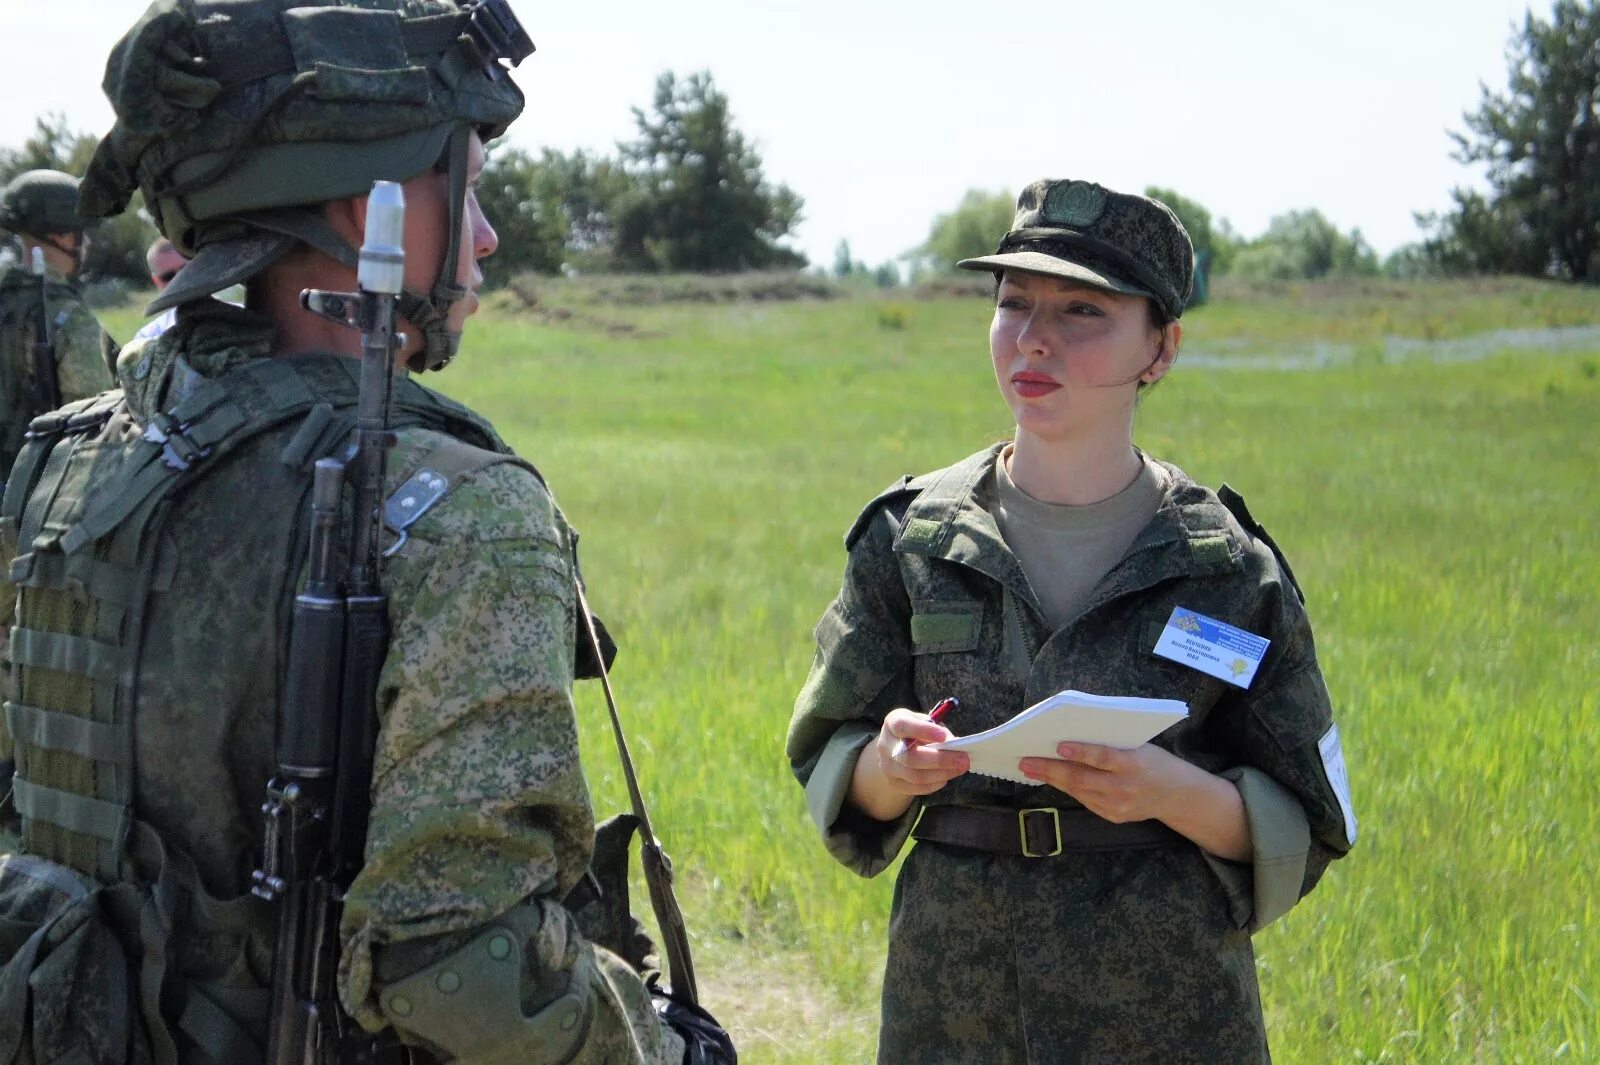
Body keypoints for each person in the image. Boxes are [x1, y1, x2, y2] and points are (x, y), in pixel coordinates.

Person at [0, 2, 730, 1063]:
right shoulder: (455, 510)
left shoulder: (66, 462)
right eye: (466, 187)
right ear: (368, 209)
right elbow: (454, 965)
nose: (484, 236)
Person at [786, 179, 1357, 1064]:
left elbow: (1309, 819)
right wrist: (890, 767)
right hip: (955, 1006)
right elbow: (831, 756)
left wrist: (1168, 792)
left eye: (1084, 309)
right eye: (1014, 303)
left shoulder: (1228, 569)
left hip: (1167, 1009)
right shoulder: (913, 541)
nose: (1035, 337)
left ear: (1161, 347)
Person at [0, 167, 117, 480]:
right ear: (62, 235)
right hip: (38, 490)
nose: (87, 243)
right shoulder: (70, 318)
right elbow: (93, 423)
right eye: (81, 232)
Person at [129, 236, 187, 342]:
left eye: (185, 269)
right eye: (168, 276)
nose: (180, 279)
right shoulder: (147, 338)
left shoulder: (227, 311)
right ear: (157, 281)